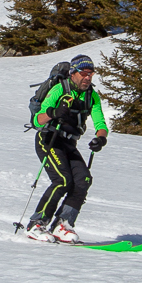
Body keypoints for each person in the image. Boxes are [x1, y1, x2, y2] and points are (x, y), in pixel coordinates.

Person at [27, 54, 108, 243]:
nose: (88, 77)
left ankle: (63, 224)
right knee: (62, 180)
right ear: (73, 73)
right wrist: (53, 113)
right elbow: (36, 120)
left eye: (91, 73)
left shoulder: (91, 96)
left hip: (69, 143)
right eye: (84, 73)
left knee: (83, 180)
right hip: (49, 140)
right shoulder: (59, 89)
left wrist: (100, 139)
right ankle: (36, 223)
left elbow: (100, 122)